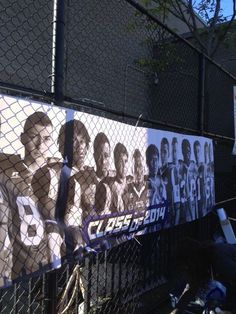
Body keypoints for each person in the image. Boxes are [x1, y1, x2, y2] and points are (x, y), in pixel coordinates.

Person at [0, 111, 62, 280]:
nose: (40, 144)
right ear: (22, 138)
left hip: (49, 259)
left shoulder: (58, 175)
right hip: (18, 267)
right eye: (34, 136)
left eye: (47, 138)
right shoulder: (6, 172)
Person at [96, 143, 130, 214]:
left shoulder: (131, 182)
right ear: (115, 163)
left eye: (126, 161)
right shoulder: (107, 185)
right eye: (121, 161)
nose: (124, 166)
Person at [180, 139, 197, 222]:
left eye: (189, 151)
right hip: (184, 201)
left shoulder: (194, 166)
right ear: (182, 152)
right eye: (185, 151)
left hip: (194, 200)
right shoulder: (180, 166)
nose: (187, 154)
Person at [193, 140, 206, 217]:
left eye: (198, 151)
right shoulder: (192, 166)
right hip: (195, 198)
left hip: (202, 197)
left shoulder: (203, 166)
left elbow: (203, 184)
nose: (197, 153)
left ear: (200, 152)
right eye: (195, 151)